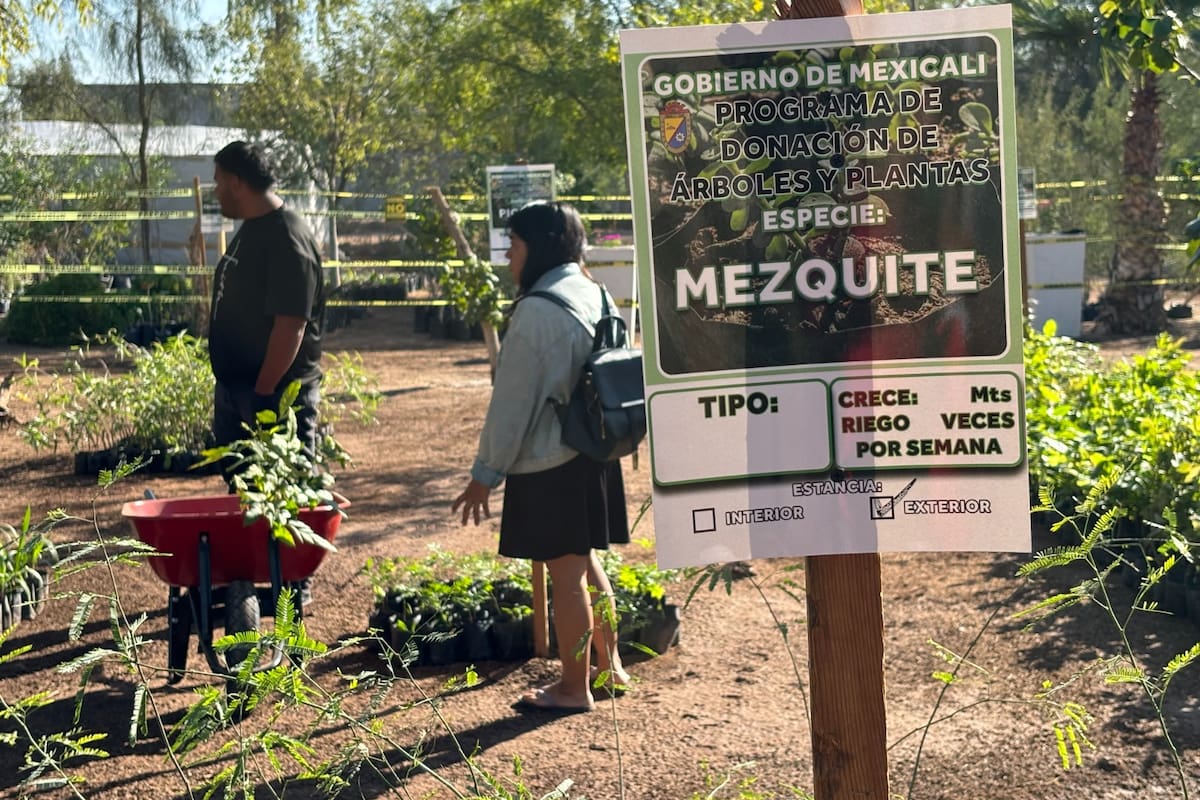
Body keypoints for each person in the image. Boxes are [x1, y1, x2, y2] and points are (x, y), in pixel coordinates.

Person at [452, 201, 632, 713]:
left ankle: (574, 688)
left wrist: (485, 475)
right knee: (585, 563)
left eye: (514, 244)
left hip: (552, 462)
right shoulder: (594, 291)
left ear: (539, 247)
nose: (509, 256)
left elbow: (512, 405)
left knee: (567, 578)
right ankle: (610, 667)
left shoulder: (536, 310)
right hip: (595, 452)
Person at [208, 140, 325, 604]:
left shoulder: (287, 238)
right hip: (240, 390)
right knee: (245, 486)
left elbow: (291, 326)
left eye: (219, 181)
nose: (215, 190)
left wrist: (261, 393)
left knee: (285, 489)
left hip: (275, 395)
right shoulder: (251, 228)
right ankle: (254, 575)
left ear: (238, 182)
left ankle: (292, 581)